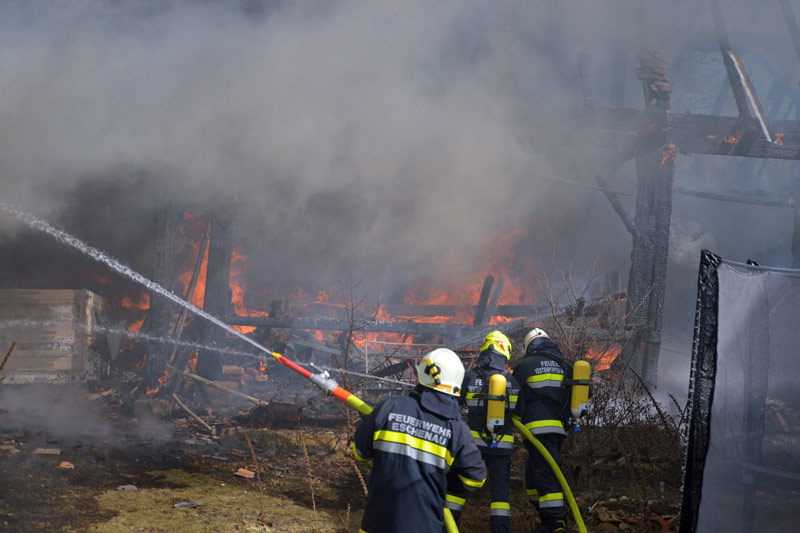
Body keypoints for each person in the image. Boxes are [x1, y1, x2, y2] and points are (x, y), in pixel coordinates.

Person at [352, 348, 487, 533]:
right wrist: (445, 479)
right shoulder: (456, 429)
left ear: (424, 375)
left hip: (375, 525)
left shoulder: (389, 406)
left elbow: (360, 454)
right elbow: (476, 479)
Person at [445, 331, 521, 533]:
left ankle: (448, 526)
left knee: (458, 486)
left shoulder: (470, 376)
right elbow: (520, 412)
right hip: (502, 446)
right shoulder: (512, 381)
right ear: (504, 352)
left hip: (472, 445)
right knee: (500, 494)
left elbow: (454, 403)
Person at [513, 329, 569, 533]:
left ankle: (555, 523)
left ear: (529, 346)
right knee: (534, 471)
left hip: (537, 429)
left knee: (545, 474)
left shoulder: (525, 366)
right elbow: (585, 392)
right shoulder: (565, 365)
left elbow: (512, 395)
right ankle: (545, 516)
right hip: (558, 430)